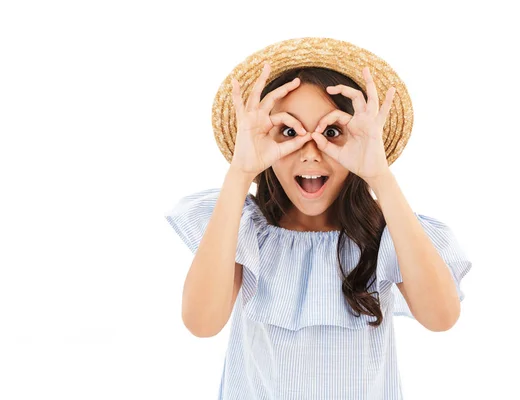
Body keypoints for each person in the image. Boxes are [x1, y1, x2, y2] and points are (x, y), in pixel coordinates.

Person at [164, 37, 472, 400]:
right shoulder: (244, 230)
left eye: (331, 132)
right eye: (289, 132)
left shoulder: (388, 234)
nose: (310, 154)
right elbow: (201, 323)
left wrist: (380, 177)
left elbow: (441, 317)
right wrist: (240, 173)